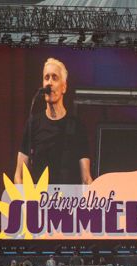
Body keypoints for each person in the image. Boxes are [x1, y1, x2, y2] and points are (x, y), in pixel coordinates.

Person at [14, 57, 93, 185]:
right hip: (40, 201)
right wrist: (24, 202)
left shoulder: (77, 126)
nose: (49, 83)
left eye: (54, 78)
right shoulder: (33, 123)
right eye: (46, 78)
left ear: (64, 87)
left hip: (67, 202)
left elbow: (86, 178)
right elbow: (19, 175)